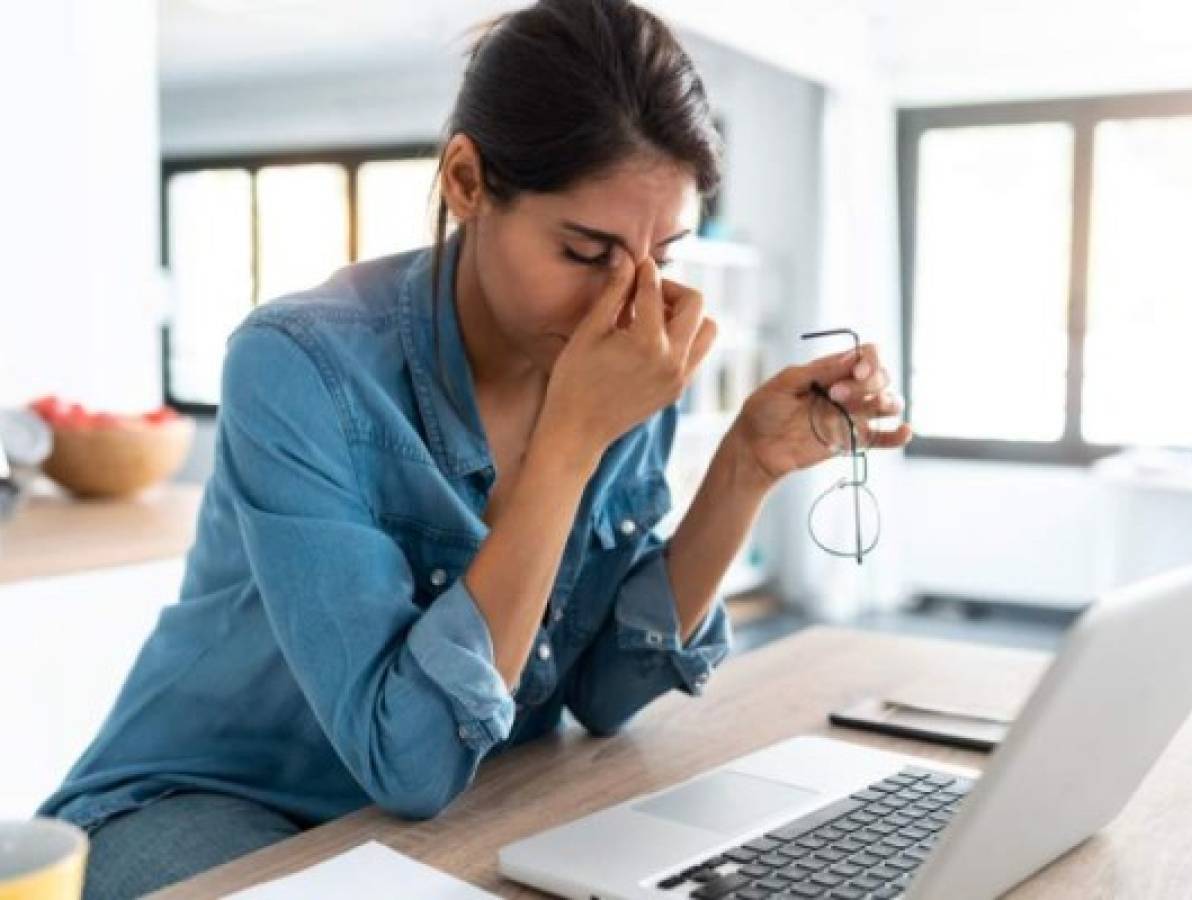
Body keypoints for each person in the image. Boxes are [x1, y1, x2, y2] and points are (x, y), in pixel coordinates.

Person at [36, 1, 910, 896]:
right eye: (585, 249)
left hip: (439, 812)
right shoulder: (300, 364)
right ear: (465, 179)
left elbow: (607, 693)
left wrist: (744, 469)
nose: (631, 303)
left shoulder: (616, 362)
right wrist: (570, 443)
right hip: (206, 802)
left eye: (665, 254)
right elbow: (407, 760)